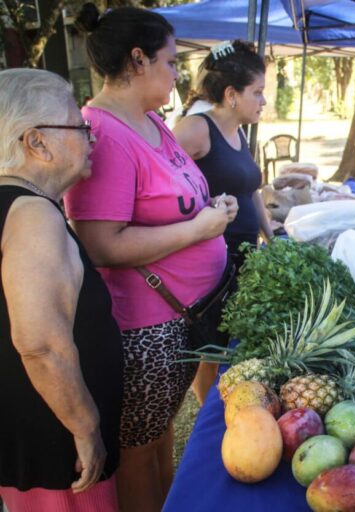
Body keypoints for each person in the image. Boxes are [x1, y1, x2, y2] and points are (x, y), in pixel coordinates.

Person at [65, 5, 238, 512]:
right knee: (140, 454)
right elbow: (101, 244)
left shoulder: (152, 123)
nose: (177, 72)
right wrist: (199, 228)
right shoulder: (105, 133)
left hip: (181, 317)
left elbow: (174, 202)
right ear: (138, 60)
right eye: (169, 61)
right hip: (144, 327)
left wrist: (211, 211)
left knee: (161, 438)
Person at [0, 69, 123, 511]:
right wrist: (86, 428)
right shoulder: (32, 214)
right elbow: (40, 345)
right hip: (56, 445)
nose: (92, 139)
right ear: (37, 142)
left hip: (40, 431)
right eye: (79, 126)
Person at [173, 40, 273, 403]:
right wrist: (203, 210)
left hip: (245, 257)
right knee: (211, 349)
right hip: (214, 262)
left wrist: (271, 237)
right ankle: (206, 413)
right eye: (257, 92)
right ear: (231, 95)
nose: (263, 101)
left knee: (232, 343)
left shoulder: (240, 132)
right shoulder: (196, 129)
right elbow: (159, 182)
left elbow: (251, 191)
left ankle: (226, 405)